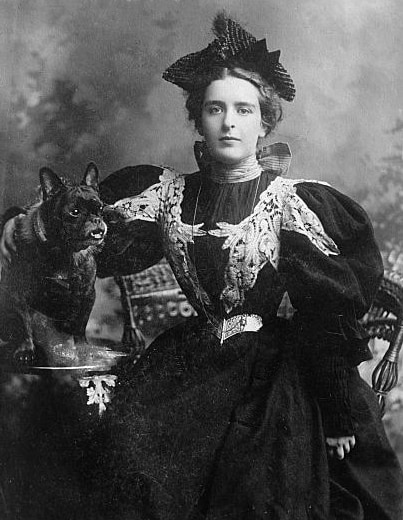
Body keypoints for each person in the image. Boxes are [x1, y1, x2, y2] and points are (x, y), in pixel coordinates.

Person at [1, 12, 403, 520]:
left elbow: (329, 312)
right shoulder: (165, 194)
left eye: (243, 109)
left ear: (265, 121)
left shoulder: (293, 204)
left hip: (283, 377)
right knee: (122, 459)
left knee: (260, 484)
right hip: (193, 365)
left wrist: (339, 414)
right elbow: (75, 219)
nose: (229, 121)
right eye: (215, 109)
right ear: (199, 119)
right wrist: (18, 228)